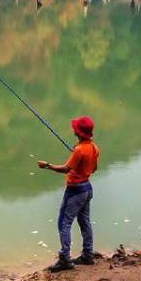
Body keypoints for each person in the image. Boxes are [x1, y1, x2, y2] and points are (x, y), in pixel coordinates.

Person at [36, 116, 99, 272]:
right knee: (85, 222)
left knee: (64, 223)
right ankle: (88, 254)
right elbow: (94, 169)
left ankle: (64, 259)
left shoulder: (79, 150)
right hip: (87, 189)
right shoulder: (94, 148)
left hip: (75, 191)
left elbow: (65, 169)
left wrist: (47, 165)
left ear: (78, 132)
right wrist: (81, 162)